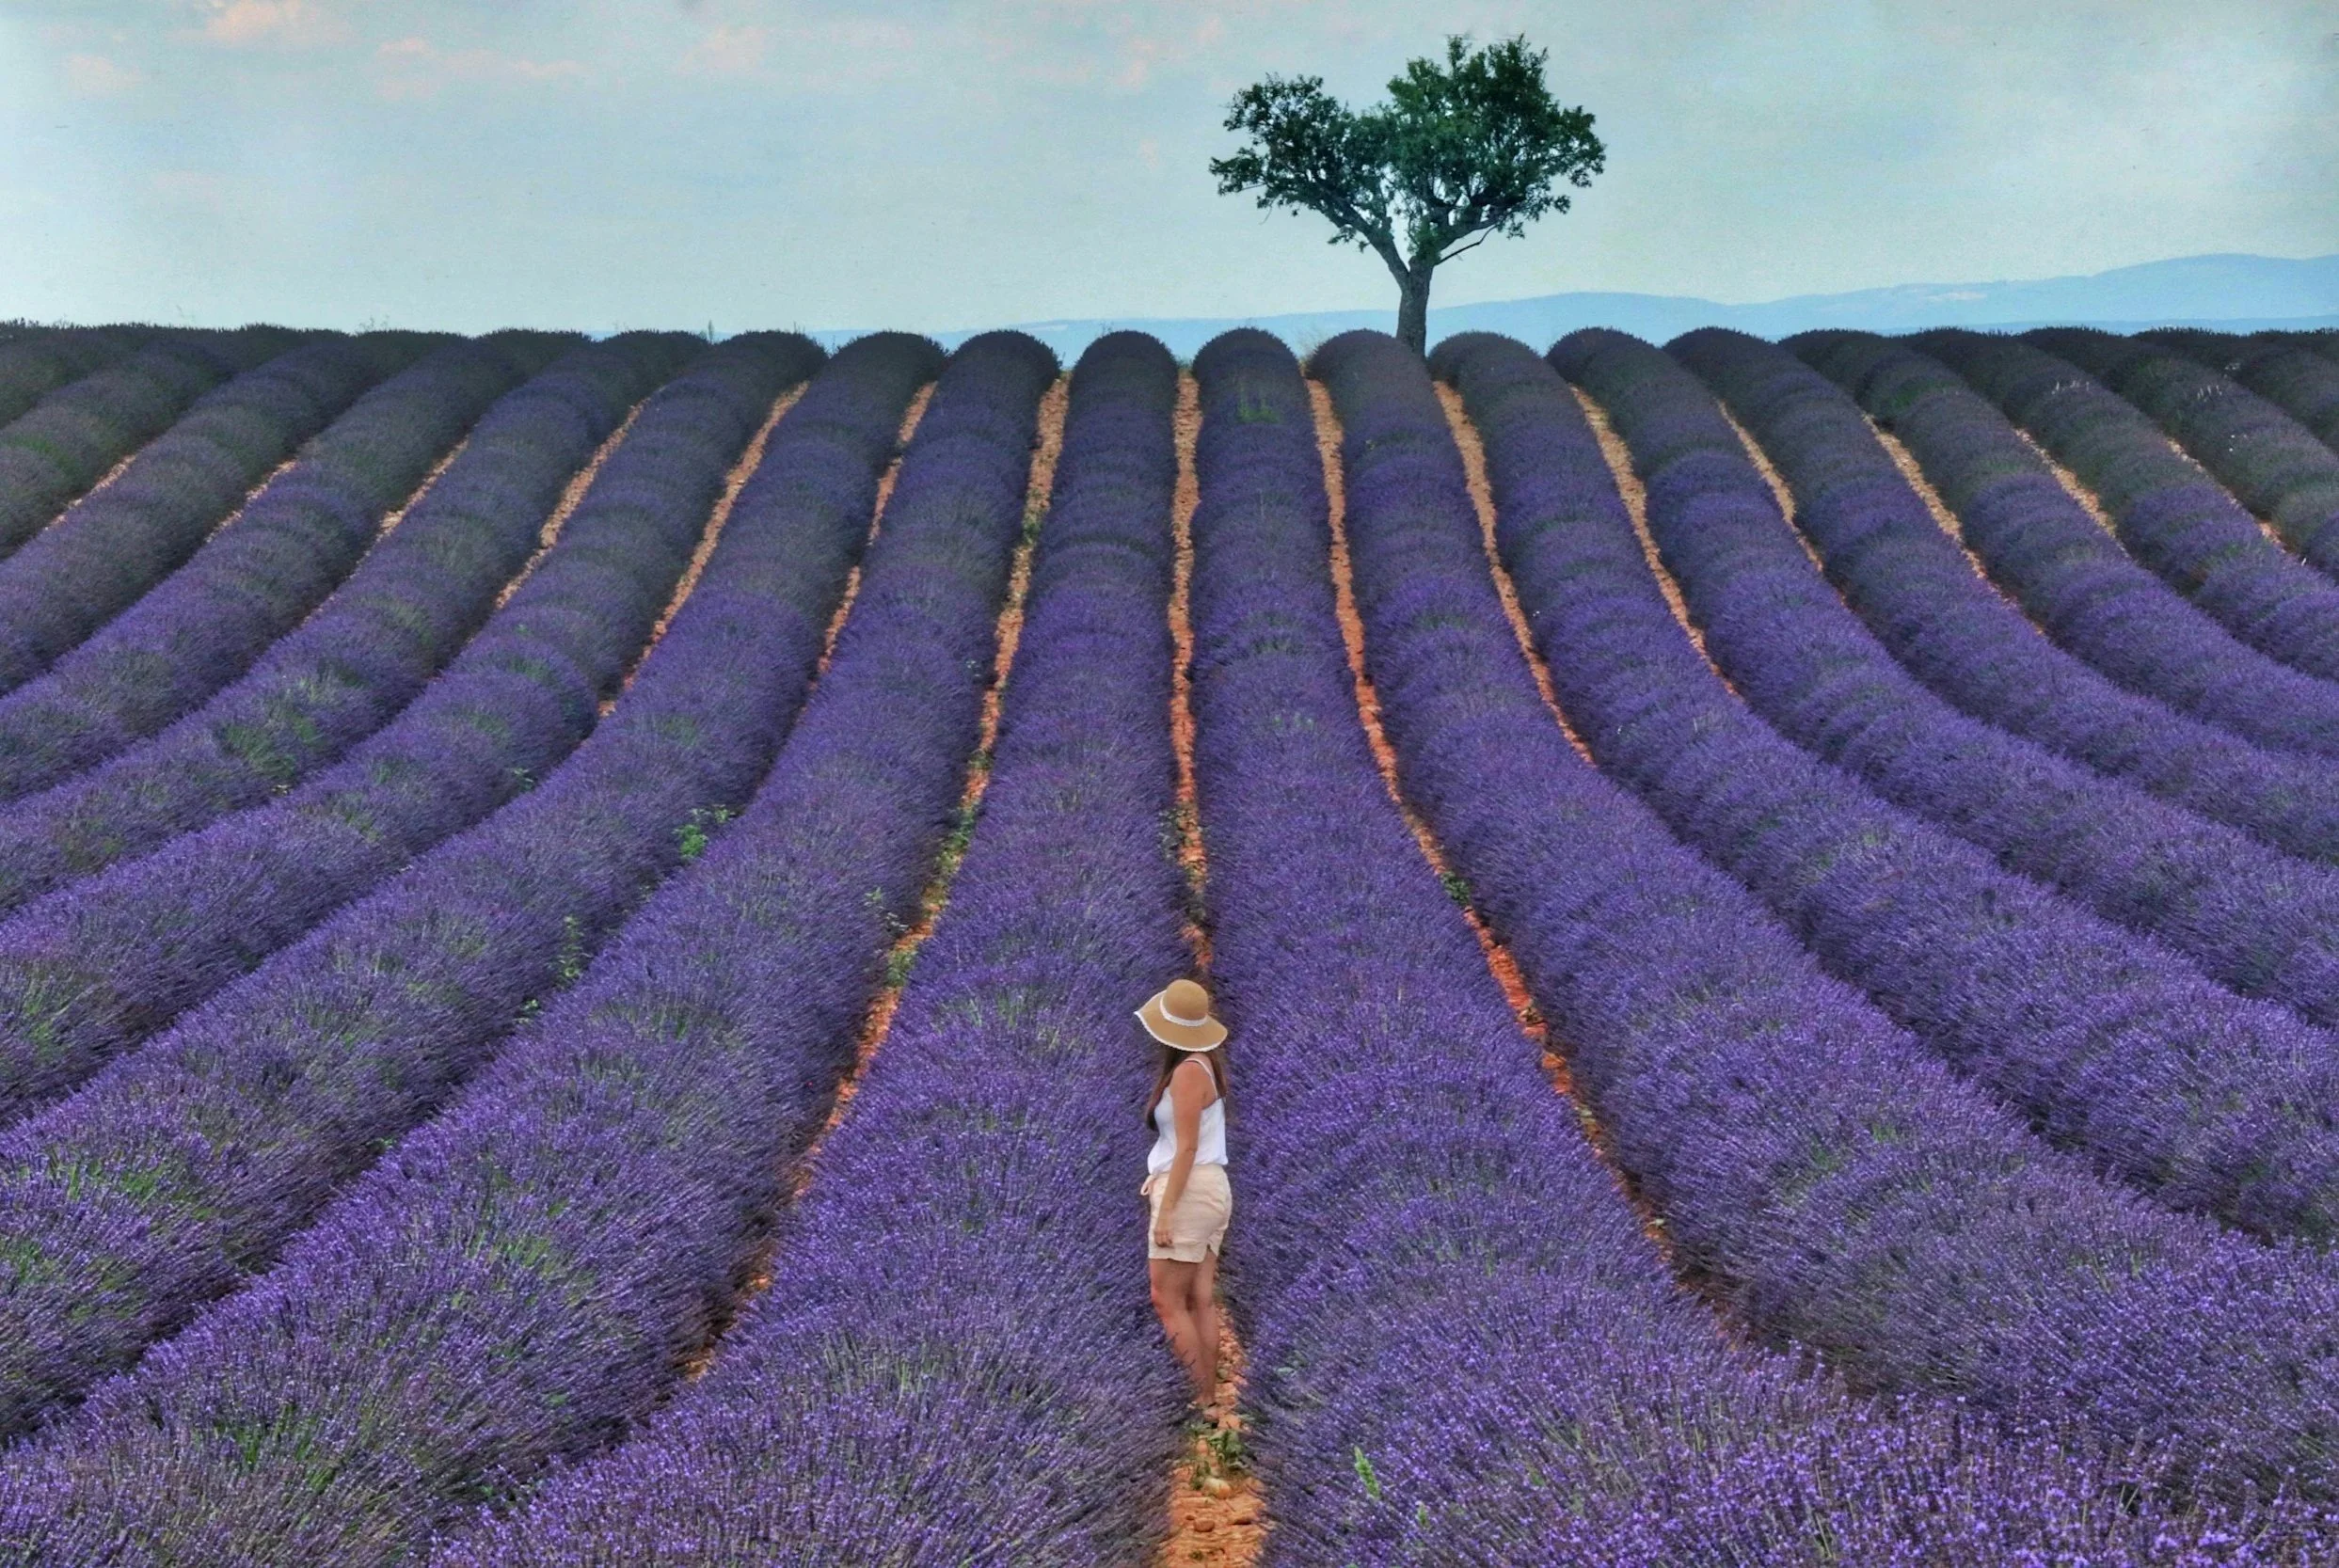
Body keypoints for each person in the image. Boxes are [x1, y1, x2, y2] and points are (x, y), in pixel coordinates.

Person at [1138, 976, 1232, 1410]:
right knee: (1198, 1298)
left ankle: (1201, 1402)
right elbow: (1183, 1145)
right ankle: (1208, 1400)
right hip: (1209, 1187)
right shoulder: (1203, 1063)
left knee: (1166, 1298)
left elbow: (1188, 1147)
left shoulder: (1188, 1073)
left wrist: (1169, 1209)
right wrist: (1156, 1173)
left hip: (1191, 1192)